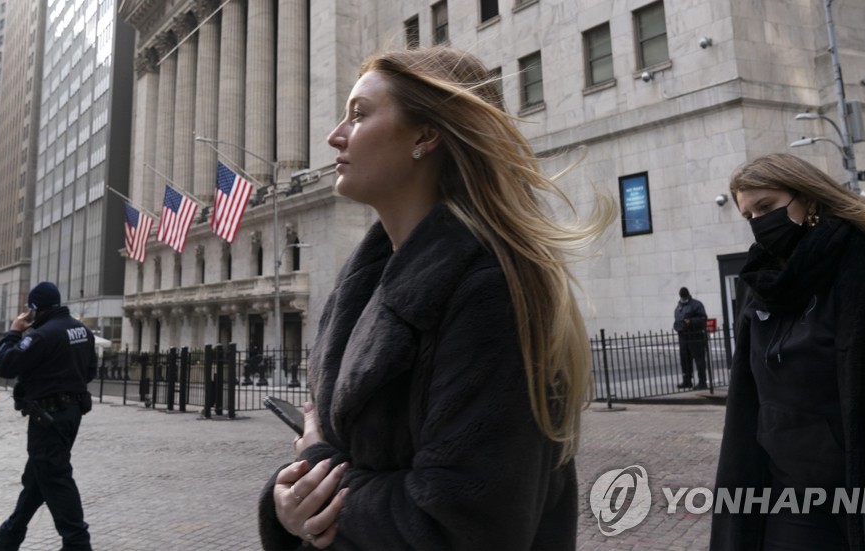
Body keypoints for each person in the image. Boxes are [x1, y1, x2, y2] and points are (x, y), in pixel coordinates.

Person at [257, 46, 613, 550]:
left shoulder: (491, 291)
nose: (335, 136)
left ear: (426, 136)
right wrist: (289, 502)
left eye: (359, 116)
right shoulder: (362, 288)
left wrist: (317, 470)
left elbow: (464, 525)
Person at [710, 154, 865, 550]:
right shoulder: (761, 288)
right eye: (748, 215)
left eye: (767, 206)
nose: (758, 223)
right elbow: (747, 406)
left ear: (808, 198)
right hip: (787, 500)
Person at [0, 281, 97, 551]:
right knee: (37, 478)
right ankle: (8, 538)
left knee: (55, 477)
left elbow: (5, 365)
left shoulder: (41, 335)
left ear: (34, 309)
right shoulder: (82, 330)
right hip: (71, 413)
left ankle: (78, 544)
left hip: (48, 417)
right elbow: (90, 371)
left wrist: (14, 332)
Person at [672, 286, 708, 390]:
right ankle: (687, 380)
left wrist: (691, 322)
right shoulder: (679, 307)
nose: (683, 298)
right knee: (685, 359)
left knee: (699, 360)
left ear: (688, 295)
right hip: (683, 337)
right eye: (682, 297)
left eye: (684, 296)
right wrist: (676, 325)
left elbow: (703, 319)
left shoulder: (696, 304)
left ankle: (702, 382)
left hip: (695, 336)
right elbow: (677, 320)